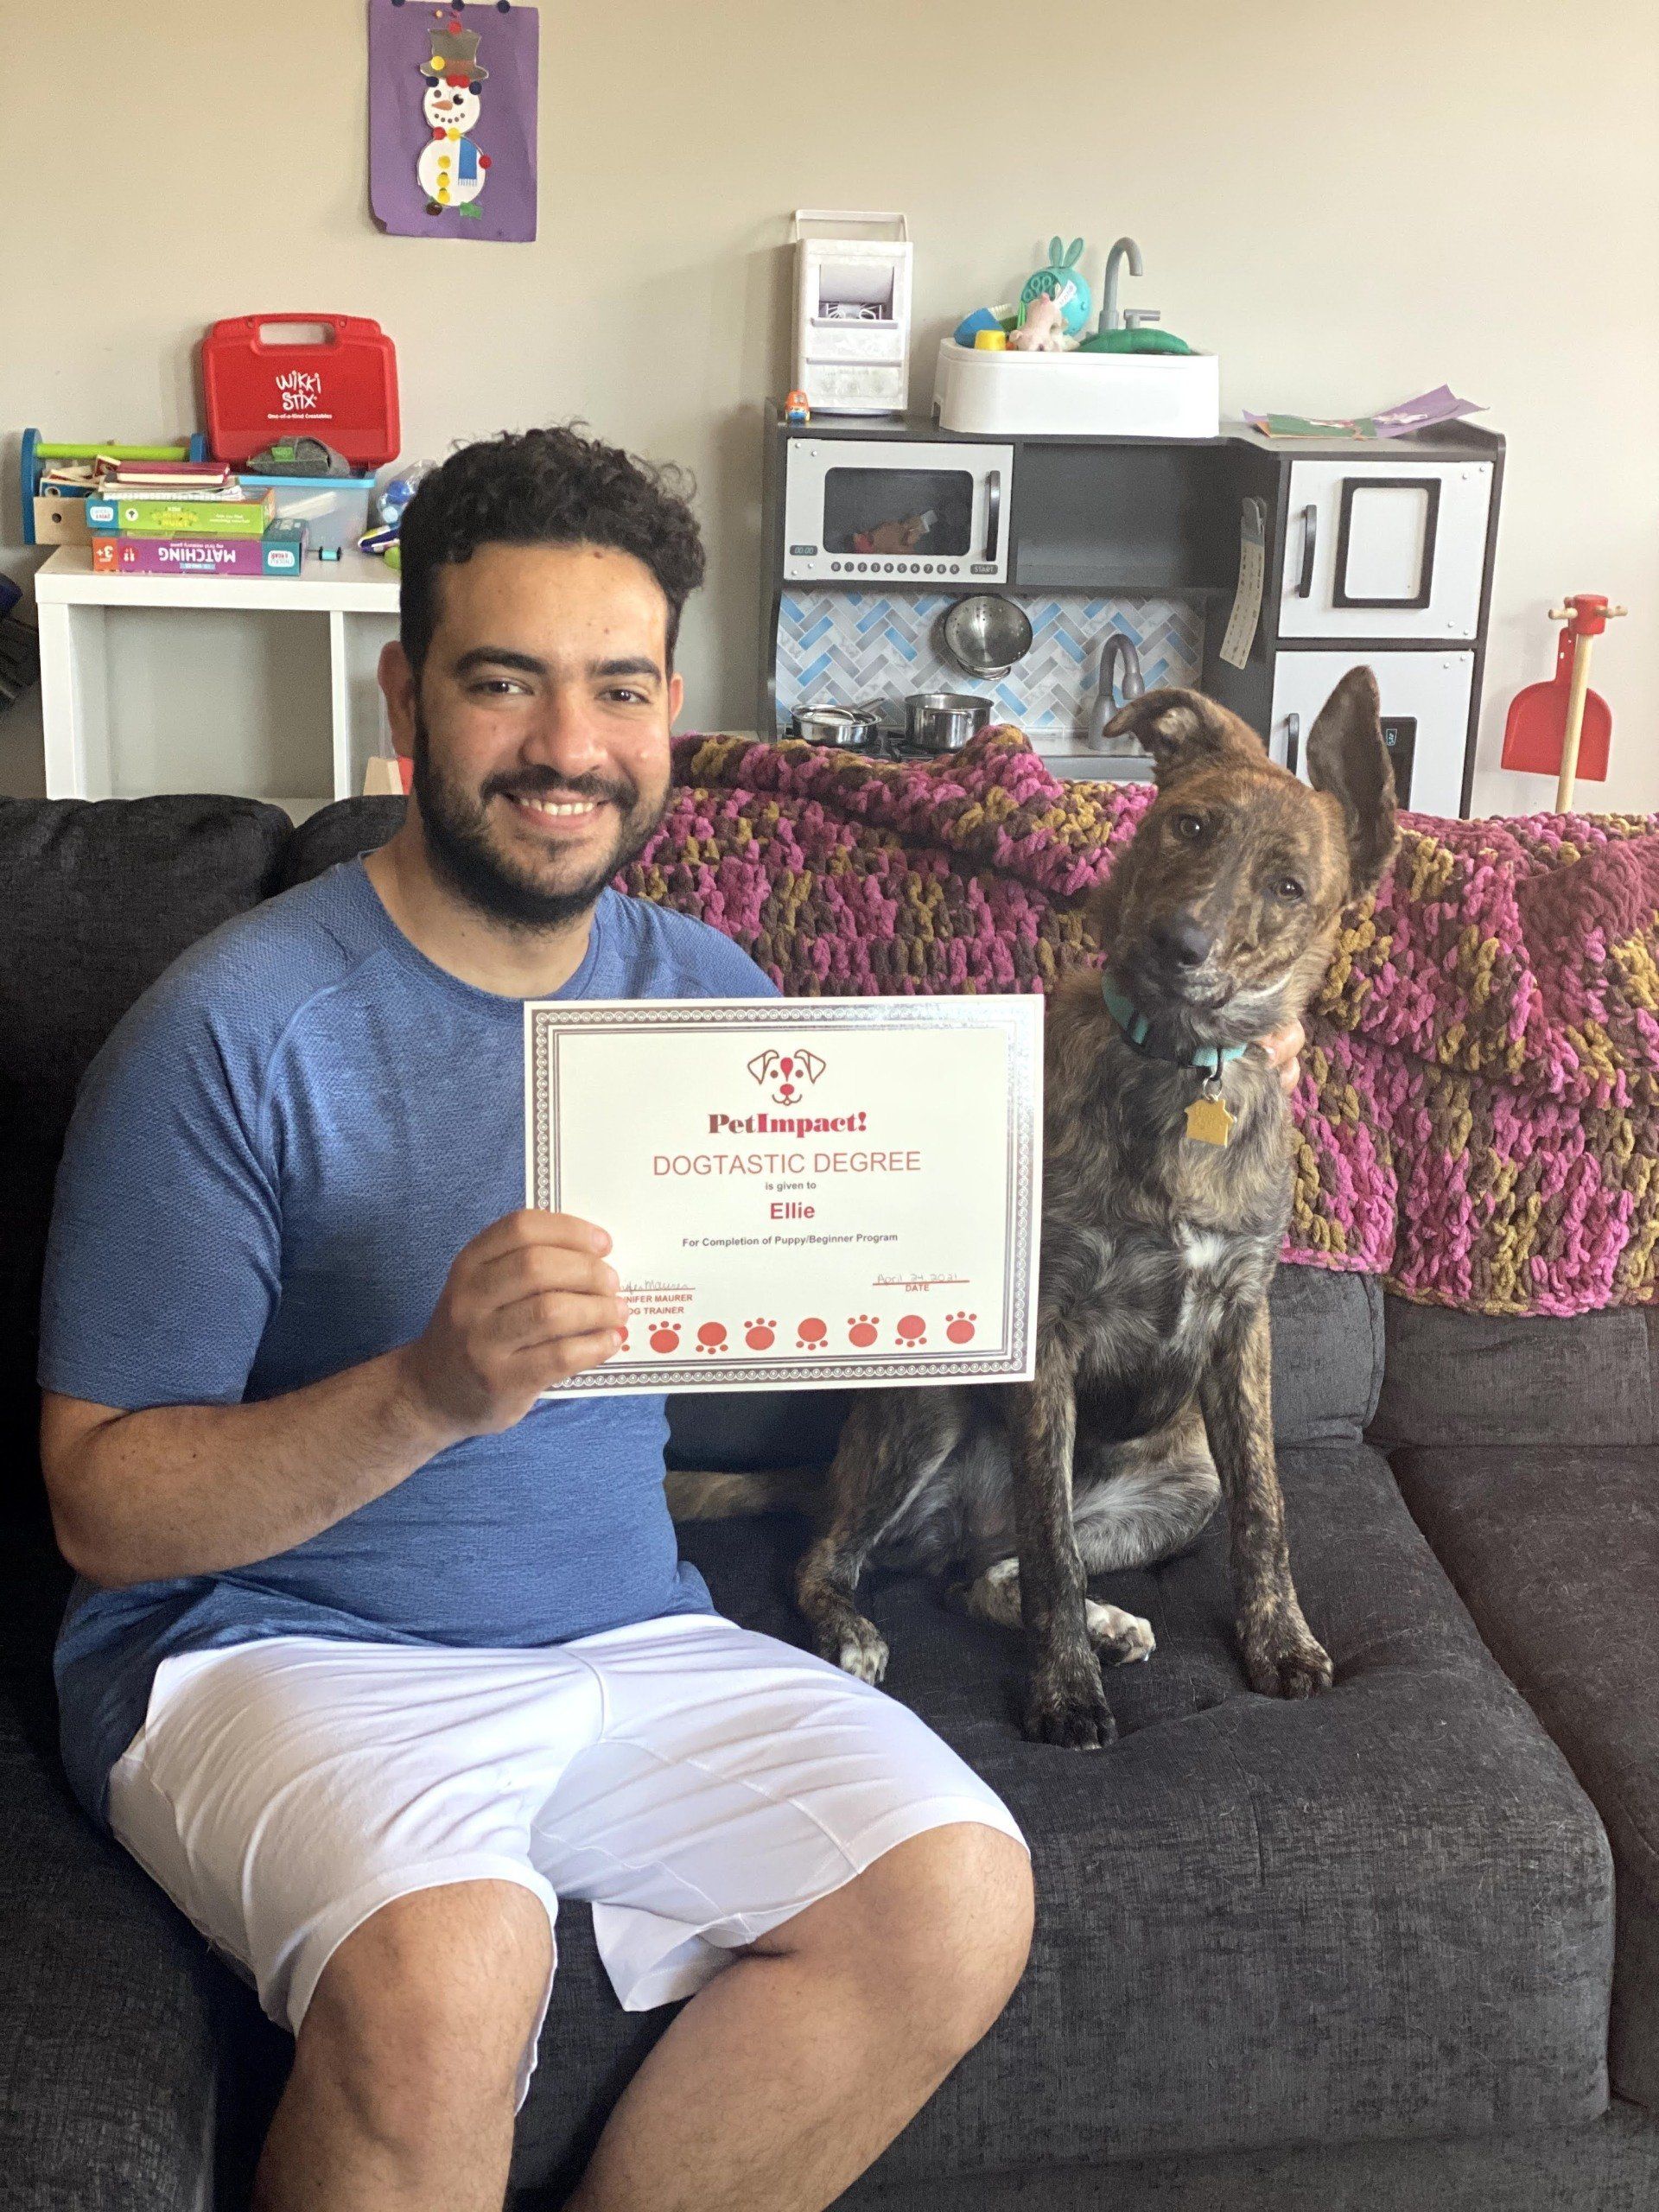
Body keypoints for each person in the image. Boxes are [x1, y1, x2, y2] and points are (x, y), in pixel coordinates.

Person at [37, 425, 1300, 2212]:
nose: (569, 745)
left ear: (669, 707)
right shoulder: (233, 1029)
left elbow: (809, 1303)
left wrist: (959, 1221)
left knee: (956, 1892)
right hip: (266, 1649)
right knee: (456, 1961)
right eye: (505, 681)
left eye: (617, 688)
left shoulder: (707, 998)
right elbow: (100, 1505)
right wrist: (424, 1387)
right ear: (409, 692)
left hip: (622, 1632)